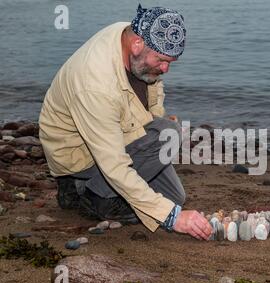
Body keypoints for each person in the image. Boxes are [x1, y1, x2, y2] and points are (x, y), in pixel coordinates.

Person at [38, 5, 212, 240]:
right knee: (168, 142)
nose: (165, 69)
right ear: (137, 44)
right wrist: (172, 218)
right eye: (161, 60)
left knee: (174, 198)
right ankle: (85, 193)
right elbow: (114, 165)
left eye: (171, 62)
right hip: (79, 155)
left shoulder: (131, 36)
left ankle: (104, 190)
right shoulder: (95, 84)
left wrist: (156, 122)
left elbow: (153, 92)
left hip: (120, 129)